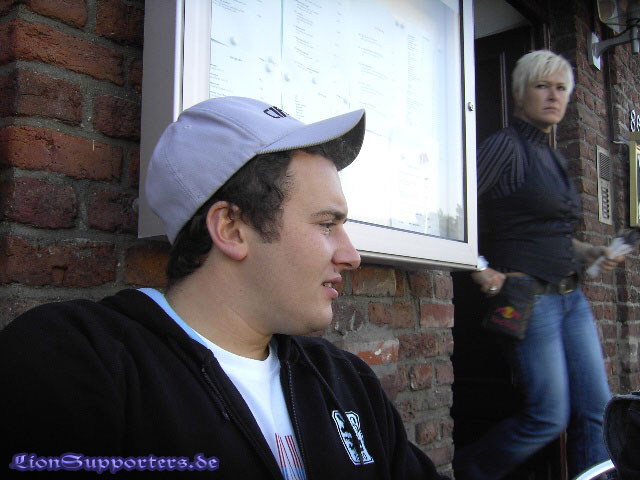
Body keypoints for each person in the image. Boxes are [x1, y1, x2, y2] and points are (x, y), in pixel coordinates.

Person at [0, 96, 446, 479]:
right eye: (327, 224)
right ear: (231, 229)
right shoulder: (73, 364)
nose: (351, 256)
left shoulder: (345, 381)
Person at [453, 50, 624, 479]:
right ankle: (466, 472)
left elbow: (550, 233)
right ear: (519, 93)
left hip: (571, 298)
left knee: (598, 410)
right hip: (529, 301)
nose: (553, 96)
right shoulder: (505, 147)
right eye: (542, 86)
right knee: (548, 416)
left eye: (561, 88)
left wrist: (590, 253)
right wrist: (478, 266)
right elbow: (456, 206)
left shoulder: (553, 157)